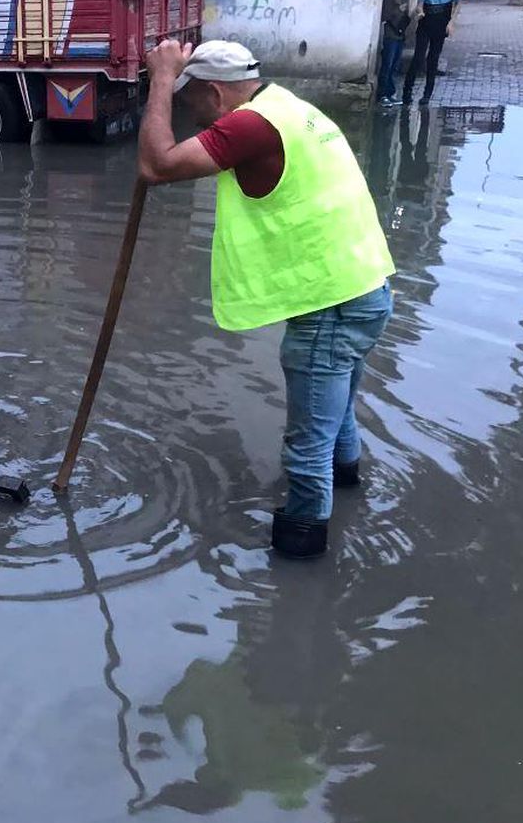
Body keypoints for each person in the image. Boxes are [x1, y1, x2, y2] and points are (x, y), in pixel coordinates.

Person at [137, 39, 396, 558]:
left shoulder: (248, 125)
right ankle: (349, 491)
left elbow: (156, 165)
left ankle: (301, 559)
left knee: (306, 446)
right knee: (337, 415)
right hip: (367, 285)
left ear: (213, 93)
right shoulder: (291, 107)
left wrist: (162, 79)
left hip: (331, 303)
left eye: (192, 107)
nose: (195, 121)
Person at [403, 0, 461, 107]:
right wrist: (420, 11)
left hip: (441, 23)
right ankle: (407, 92)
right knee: (418, 57)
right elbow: (420, 4)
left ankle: (427, 94)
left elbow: (457, 3)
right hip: (426, 22)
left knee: (433, 59)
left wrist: (452, 22)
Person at [378, 0, 412, 106]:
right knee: (387, 65)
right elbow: (384, 17)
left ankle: (390, 93)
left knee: (394, 66)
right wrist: (398, 10)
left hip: (399, 35)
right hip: (390, 36)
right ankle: (382, 95)